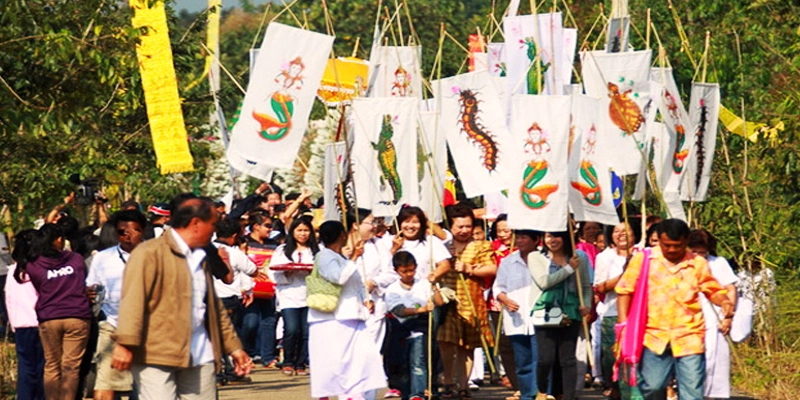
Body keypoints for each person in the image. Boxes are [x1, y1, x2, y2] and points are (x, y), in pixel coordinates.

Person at [111, 197, 251, 400]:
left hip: (200, 353)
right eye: (212, 224)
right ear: (195, 224)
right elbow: (133, 301)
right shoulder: (149, 253)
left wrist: (234, 347)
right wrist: (125, 343)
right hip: (156, 353)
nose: (215, 230)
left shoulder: (201, 257)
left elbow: (213, 307)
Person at [615, 219, 735, 400]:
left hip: (690, 336)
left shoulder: (697, 263)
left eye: (677, 246)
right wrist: (623, 325)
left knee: (692, 392)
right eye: (667, 245)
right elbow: (624, 290)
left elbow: (713, 289)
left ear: (686, 241)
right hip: (653, 336)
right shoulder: (644, 259)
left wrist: (725, 302)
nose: (671, 250)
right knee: (653, 387)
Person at [308, 220, 387, 400]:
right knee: (341, 361)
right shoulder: (325, 256)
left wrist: (366, 299)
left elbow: (357, 283)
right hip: (334, 317)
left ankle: (356, 394)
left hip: (351, 314)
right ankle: (344, 394)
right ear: (342, 235)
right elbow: (339, 277)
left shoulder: (340, 257)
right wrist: (354, 258)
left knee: (361, 359)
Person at [20, 224, 92, 400]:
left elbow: (39, 287)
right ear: (59, 240)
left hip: (49, 317)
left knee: (52, 365)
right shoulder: (75, 259)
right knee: (71, 366)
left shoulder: (34, 265)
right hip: (77, 316)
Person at [85, 210, 147, 400]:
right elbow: (91, 286)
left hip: (150, 329)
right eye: (122, 232)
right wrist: (89, 293)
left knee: (147, 385)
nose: (128, 236)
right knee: (105, 382)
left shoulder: (156, 255)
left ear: (143, 231)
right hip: (112, 326)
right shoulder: (103, 258)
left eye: (134, 230)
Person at [436, 204, 495, 399]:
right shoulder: (443, 245)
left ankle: (463, 384)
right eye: (459, 226)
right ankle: (448, 380)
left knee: (466, 346)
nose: (464, 230)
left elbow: (492, 269)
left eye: (468, 226)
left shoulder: (481, 245)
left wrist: (470, 269)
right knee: (445, 341)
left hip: (470, 300)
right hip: (446, 298)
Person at [533, 230, 592, 400]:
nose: (552, 240)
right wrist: (568, 269)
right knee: (546, 359)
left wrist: (586, 305)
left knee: (568, 359)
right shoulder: (536, 257)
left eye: (556, 236)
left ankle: (569, 396)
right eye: (548, 236)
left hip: (570, 312)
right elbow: (544, 282)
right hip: (544, 312)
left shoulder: (578, 256)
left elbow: (586, 286)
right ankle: (542, 391)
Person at [493, 230, 547, 400]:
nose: (520, 241)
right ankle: (526, 394)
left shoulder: (545, 260)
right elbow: (498, 288)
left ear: (536, 240)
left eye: (524, 237)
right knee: (522, 362)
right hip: (516, 319)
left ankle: (540, 393)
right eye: (518, 237)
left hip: (540, 317)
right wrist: (506, 300)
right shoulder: (508, 261)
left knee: (540, 360)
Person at [384, 251, 445, 400]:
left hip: (420, 329)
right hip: (400, 330)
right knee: (402, 363)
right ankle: (405, 391)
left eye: (411, 270)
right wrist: (420, 309)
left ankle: (418, 393)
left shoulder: (423, 284)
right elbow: (399, 311)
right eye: (404, 271)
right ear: (396, 270)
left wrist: (434, 286)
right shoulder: (392, 289)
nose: (409, 274)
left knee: (418, 362)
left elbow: (440, 302)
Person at [593, 222, 642, 400]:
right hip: (612, 312)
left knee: (636, 357)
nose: (621, 235)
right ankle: (615, 387)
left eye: (625, 230)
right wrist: (625, 275)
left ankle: (633, 392)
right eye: (616, 231)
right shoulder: (604, 257)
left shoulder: (643, 254)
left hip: (639, 314)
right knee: (612, 357)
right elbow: (601, 287)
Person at [688, 229, 738, 400]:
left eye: (702, 252)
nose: (699, 256)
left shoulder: (718, 263)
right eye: (694, 251)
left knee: (714, 361)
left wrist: (728, 317)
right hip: (688, 319)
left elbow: (730, 289)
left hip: (714, 318)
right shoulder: (681, 264)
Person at [268, 218, 320, 376]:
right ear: (292, 232)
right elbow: (272, 272)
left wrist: (313, 273)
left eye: (306, 230)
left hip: (309, 293)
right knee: (291, 329)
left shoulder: (317, 251)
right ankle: (288, 361)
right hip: (289, 294)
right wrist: (286, 273)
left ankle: (300, 363)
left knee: (306, 331)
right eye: (299, 230)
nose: (303, 234)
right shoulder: (282, 250)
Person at [6, 229, 45, 400]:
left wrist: (14, 324)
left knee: (26, 369)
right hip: (40, 324)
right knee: (43, 369)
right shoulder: (40, 268)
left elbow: (9, 298)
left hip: (21, 326)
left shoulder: (12, 271)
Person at [242, 210, 280, 367]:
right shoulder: (244, 243)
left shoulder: (275, 245)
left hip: (269, 289)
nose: (270, 230)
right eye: (267, 226)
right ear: (256, 226)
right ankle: (247, 353)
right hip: (249, 289)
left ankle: (267, 357)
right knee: (250, 322)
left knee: (269, 322)